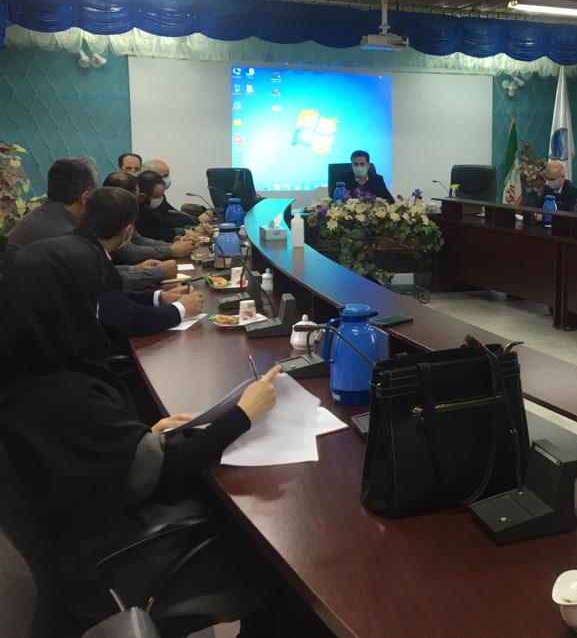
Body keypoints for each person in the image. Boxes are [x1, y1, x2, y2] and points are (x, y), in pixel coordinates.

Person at [0, 235, 331, 637]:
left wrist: (140, 437)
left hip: (80, 540)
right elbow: (167, 474)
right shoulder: (63, 395)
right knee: (288, 554)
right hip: (120, 556)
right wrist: (243, 414)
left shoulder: (24, 374)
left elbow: (93, 454)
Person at [4, 158, 167, 290]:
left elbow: (93, 268)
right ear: (86, 197)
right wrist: (157, 274)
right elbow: (101, 280)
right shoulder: (64, 235)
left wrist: (133, 269)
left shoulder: (45, 216)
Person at [71, 187, 204, 338]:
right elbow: (130, 319)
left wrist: (160, 297)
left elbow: (113, 298)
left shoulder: (80, 242)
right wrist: (180, 309)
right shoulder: (92, 260)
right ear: (128, 231)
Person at [104, 171, 194, 261]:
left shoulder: (120, 212)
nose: (139, 200)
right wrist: (172, 250)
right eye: (136, 197)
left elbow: (137, 240)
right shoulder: (107, 217)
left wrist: (175, 246)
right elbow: (130, 253)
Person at [136, 170, 205, 242]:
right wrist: (180, 232)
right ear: (142, 196)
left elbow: (172, 217)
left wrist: (193, 227)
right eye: (157, 197)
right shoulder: (136, 210)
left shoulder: (159, 198)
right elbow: (150, 232)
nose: (161, 199)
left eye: (162, 195)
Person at [142, 158, 214, 225]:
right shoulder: (143, 199)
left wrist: (196, 219)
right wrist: (197, 221)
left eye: (168, 175)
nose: (167, 179)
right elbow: (163, 221)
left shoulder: (160, 196)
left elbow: (174, 213)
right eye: (164, 176)